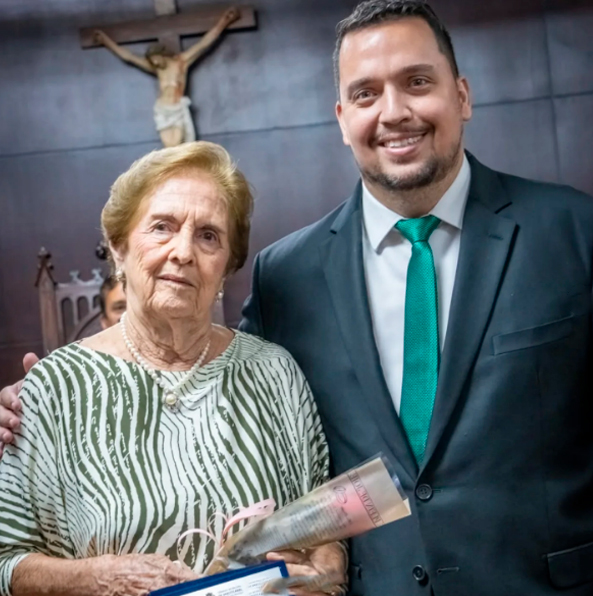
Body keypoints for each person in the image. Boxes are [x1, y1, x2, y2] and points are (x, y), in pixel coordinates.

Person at [2, 1, 593, 594]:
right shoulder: (290, 274)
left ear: (461, 94)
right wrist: (17, 414)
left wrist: (326, 558)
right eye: (365, 93)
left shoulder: (573, 232)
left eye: (417, 82)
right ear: (342, 118)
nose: (393, 112)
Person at [0, 142, 345, 596]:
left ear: (226, 267)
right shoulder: (56, 387)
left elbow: (327, 527)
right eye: (162, 227)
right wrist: (97, 578)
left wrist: (325, 569)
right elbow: (6, 561)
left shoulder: (275, 373)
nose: (183, 252)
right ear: (119, 247)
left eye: (208, 236)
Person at [94, 7, 240, 147]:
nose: (155, 63)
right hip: (162, 109)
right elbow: (129, 57)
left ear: (163, 54)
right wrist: (106, 41)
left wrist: (224, 21)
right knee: (169, 147)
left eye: (157, 59)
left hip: (177, 108)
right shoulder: (157, 69)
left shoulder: (181, 62)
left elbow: (204, 43)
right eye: (152, 61)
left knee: (179, 145)